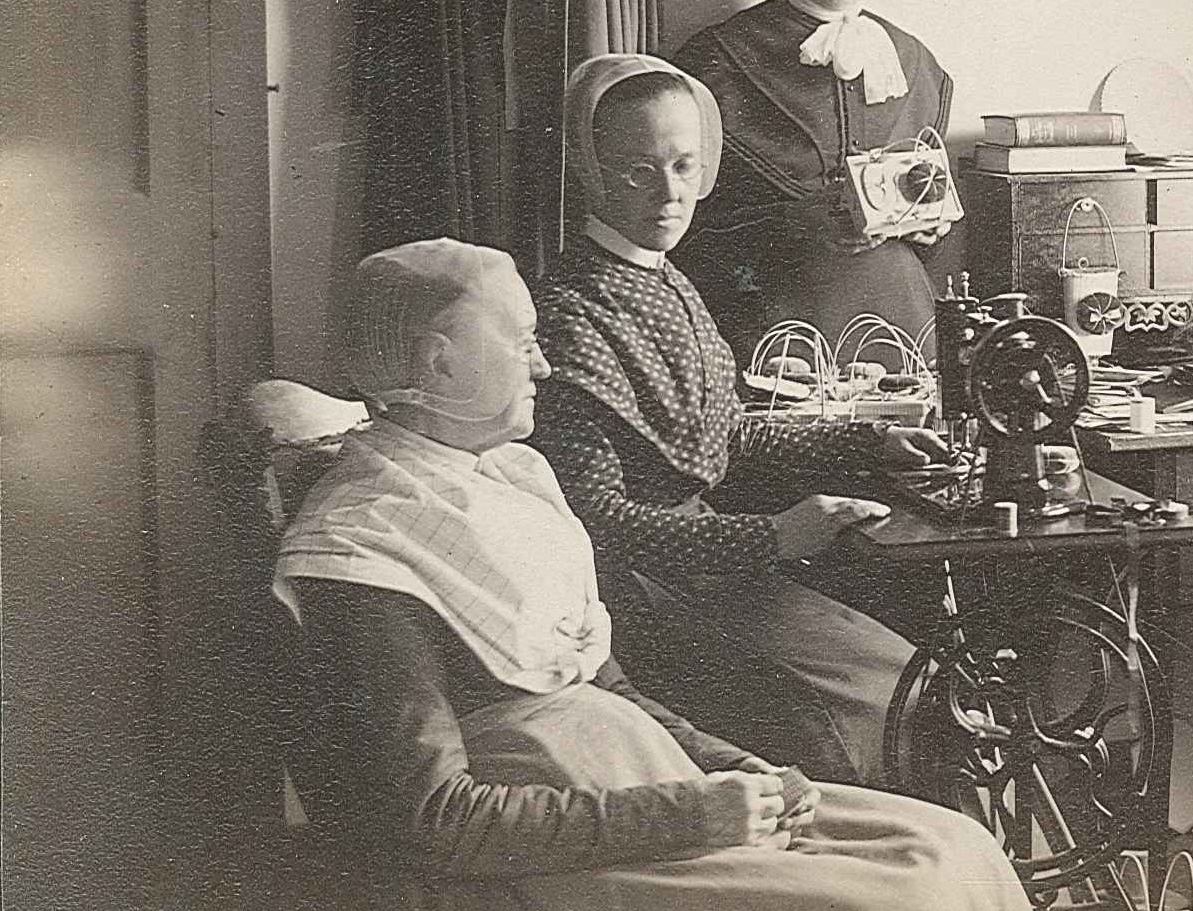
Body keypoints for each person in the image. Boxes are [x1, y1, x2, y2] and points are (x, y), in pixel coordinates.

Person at [275, 239, 1025, 910]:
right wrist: (692, 815)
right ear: (440, 360)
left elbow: (609, 689)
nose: (543, 364)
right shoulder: (364, 546)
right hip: (575, 850)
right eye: (524, 342)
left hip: (647, 788)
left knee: (952, 845)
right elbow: (443, 819)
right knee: (907, 895)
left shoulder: (509, 478)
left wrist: (743, 770)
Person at [529, 52, 939, 785]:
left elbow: (725, 434)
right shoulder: (570, 309)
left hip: (706, 568)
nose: (668, 193)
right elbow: (594, 519)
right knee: (888, 692)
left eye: (684, 167)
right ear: (589, 170)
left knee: (913, 667)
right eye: (637, 171)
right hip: (642, 597)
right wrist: (774, 535)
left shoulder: (666, 279)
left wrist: (871, 436)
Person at [670, 0, 955, 358]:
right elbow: (680, 236)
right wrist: (790, 225)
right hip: (775, 337)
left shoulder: (918, 65)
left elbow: (935, 241)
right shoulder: (718, 62)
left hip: (908, 334)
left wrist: (928, 227)